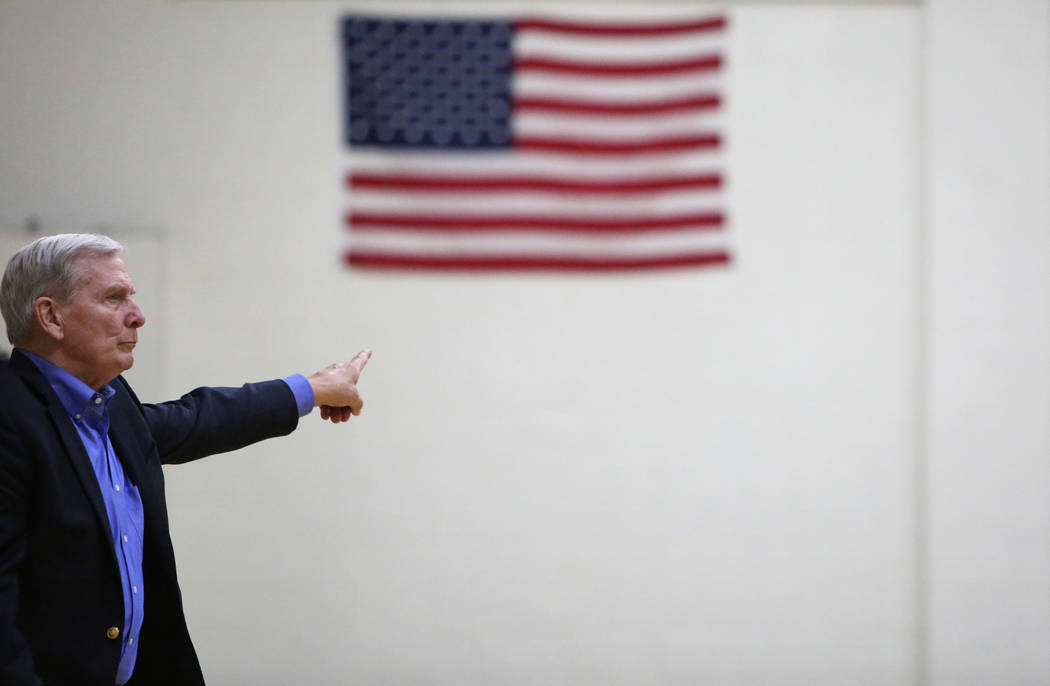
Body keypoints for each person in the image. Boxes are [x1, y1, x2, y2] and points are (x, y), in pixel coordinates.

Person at [0, 234, 371, 686]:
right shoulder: (10, 416)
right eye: (114, 299)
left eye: (132, 297)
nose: (138, 315)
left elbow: (191, 421)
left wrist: (310, 390)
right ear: (50, 316)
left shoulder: (110, 404)